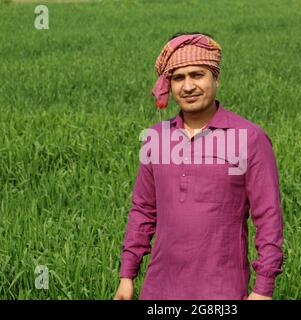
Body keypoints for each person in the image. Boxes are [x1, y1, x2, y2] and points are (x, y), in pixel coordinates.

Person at [114, 32, 284, 300]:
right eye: (178, 78)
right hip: (160, 288)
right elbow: (143, 210)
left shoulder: (249, 138)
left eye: (197, 74)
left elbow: (269, 217)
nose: (188, 86)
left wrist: (263, 288)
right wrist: (127, 275)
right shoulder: (157, 138)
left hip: (221, 290)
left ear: (215, 78)